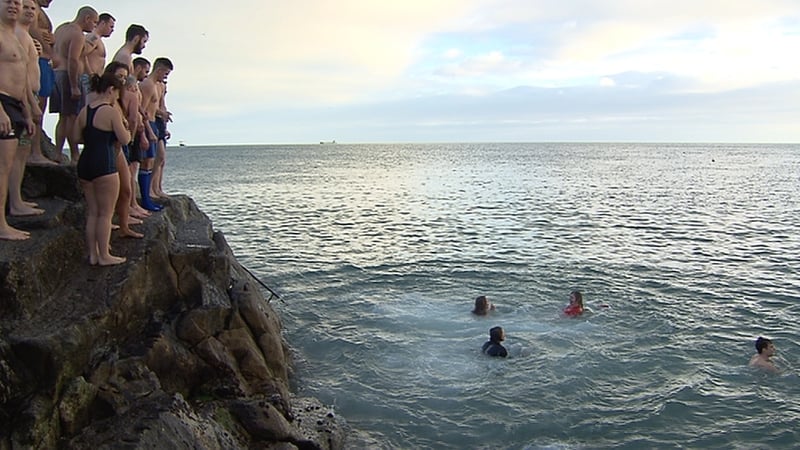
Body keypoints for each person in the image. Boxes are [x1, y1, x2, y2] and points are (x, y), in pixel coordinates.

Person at [71, 72, 130, 265]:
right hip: (104, 164)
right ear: (111, 90)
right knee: (106, 213)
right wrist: (125, 126)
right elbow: (125, 139)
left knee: (93, 212)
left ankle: (93, 254)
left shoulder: (85, 111)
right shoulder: (111, 112)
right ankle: (104, 255)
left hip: (85, 162)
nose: (117, 99)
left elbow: (76, 137)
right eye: (117, 95)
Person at [0, 0, 36, 240]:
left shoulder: (17, 37)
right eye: (8, 1)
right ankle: (1, 225)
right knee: (2, 168)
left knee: (11, 163)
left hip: (16, 105)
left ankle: (15, 205)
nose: (14, 6)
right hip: (2, 103)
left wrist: (27, 112)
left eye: (18, 2)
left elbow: (21, 77)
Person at [8, 0, 45, 217]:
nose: (30, 11)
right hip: (22, 102)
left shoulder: (25, 36)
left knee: (21, 153)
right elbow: (18, 76)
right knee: (18, 154)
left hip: (27, 100)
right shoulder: (19, 36)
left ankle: (17, 198)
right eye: (26, 7)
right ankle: (15, 202)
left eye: (33, 8)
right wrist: (31, 106)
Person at [51, 5, 98, 164]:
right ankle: (75, 155)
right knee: (72, 117)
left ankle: (58, 152)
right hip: (67, 76)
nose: (94, 26)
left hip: (56, 74)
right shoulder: (77, 34)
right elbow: (73, 59)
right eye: (94, 22)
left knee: (63, 117)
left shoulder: (61, 29)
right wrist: (74, 85)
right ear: (87, 19)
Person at [103, 61, 142, 239]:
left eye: (125, 77)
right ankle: (111, 223)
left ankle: (124, 225)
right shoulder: (104, 99)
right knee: (111, 192)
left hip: (119, 147)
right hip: (108, 147)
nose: (123, 80)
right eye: (119, 76)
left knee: (126, 188)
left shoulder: (121, 98)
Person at [137, 57, 172, 211]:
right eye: (165, 74)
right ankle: (147, 195)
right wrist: (148, 131)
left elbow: (158, 105)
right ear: (159, 70)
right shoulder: (148, 85)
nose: (165, 77)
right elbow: (142, 110)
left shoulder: (159, 86)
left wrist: (163, 125)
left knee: (156, 159)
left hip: (155, 123)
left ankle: (154, 190)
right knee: (148, 160)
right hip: (148, 124)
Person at [25, 0, 56, 164]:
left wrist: (53, 40)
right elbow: (34, 31)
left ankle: (35, 150)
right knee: (36, 107)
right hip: (40, 60)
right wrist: (53, 51)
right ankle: (34, 151)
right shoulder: (31, 6)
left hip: (45, 61)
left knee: (40, 108)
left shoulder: (38, 9)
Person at [83, 13, 114, 81]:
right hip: (88, 78)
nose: (112, 30)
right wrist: (90, 74)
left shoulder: (97, 39)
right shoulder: (93, 37)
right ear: (103, 23)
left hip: (95, 79)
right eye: (111, 26)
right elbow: (82, 54)